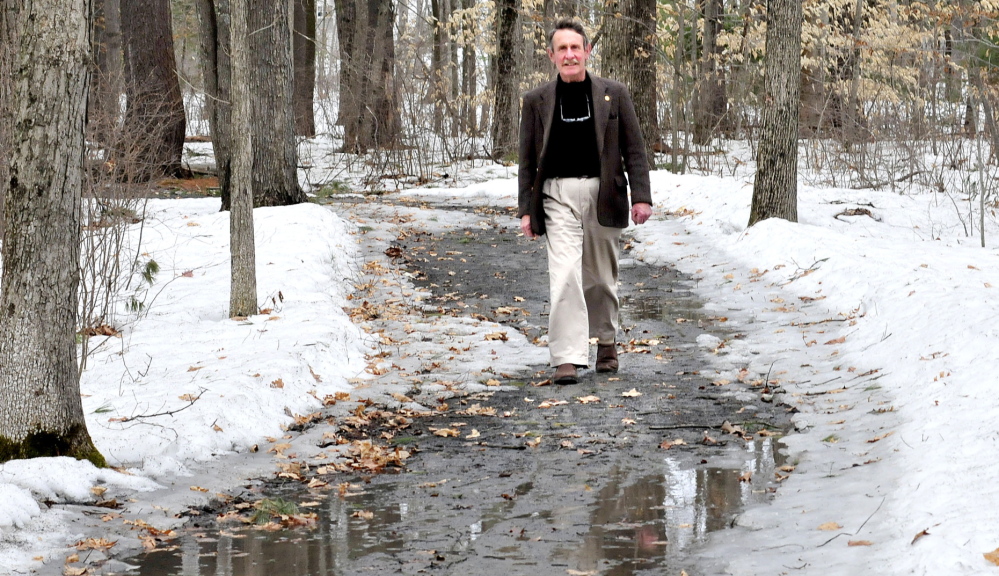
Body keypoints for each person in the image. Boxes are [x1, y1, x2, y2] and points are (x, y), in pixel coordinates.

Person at [518, 17, 653, 385]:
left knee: (600, 278)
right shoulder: (536, 101)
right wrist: (526, 210)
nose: (569, 54)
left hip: (603, 192)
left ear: (588, 51)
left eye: (575, 47)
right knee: (564, 276)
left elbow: (634, 149)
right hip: (556, 196)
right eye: (562, 49)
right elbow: (527, 159)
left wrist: (641, 196)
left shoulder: (615, 93)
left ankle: (606, 341)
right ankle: (567, 357)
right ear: (551, 56)